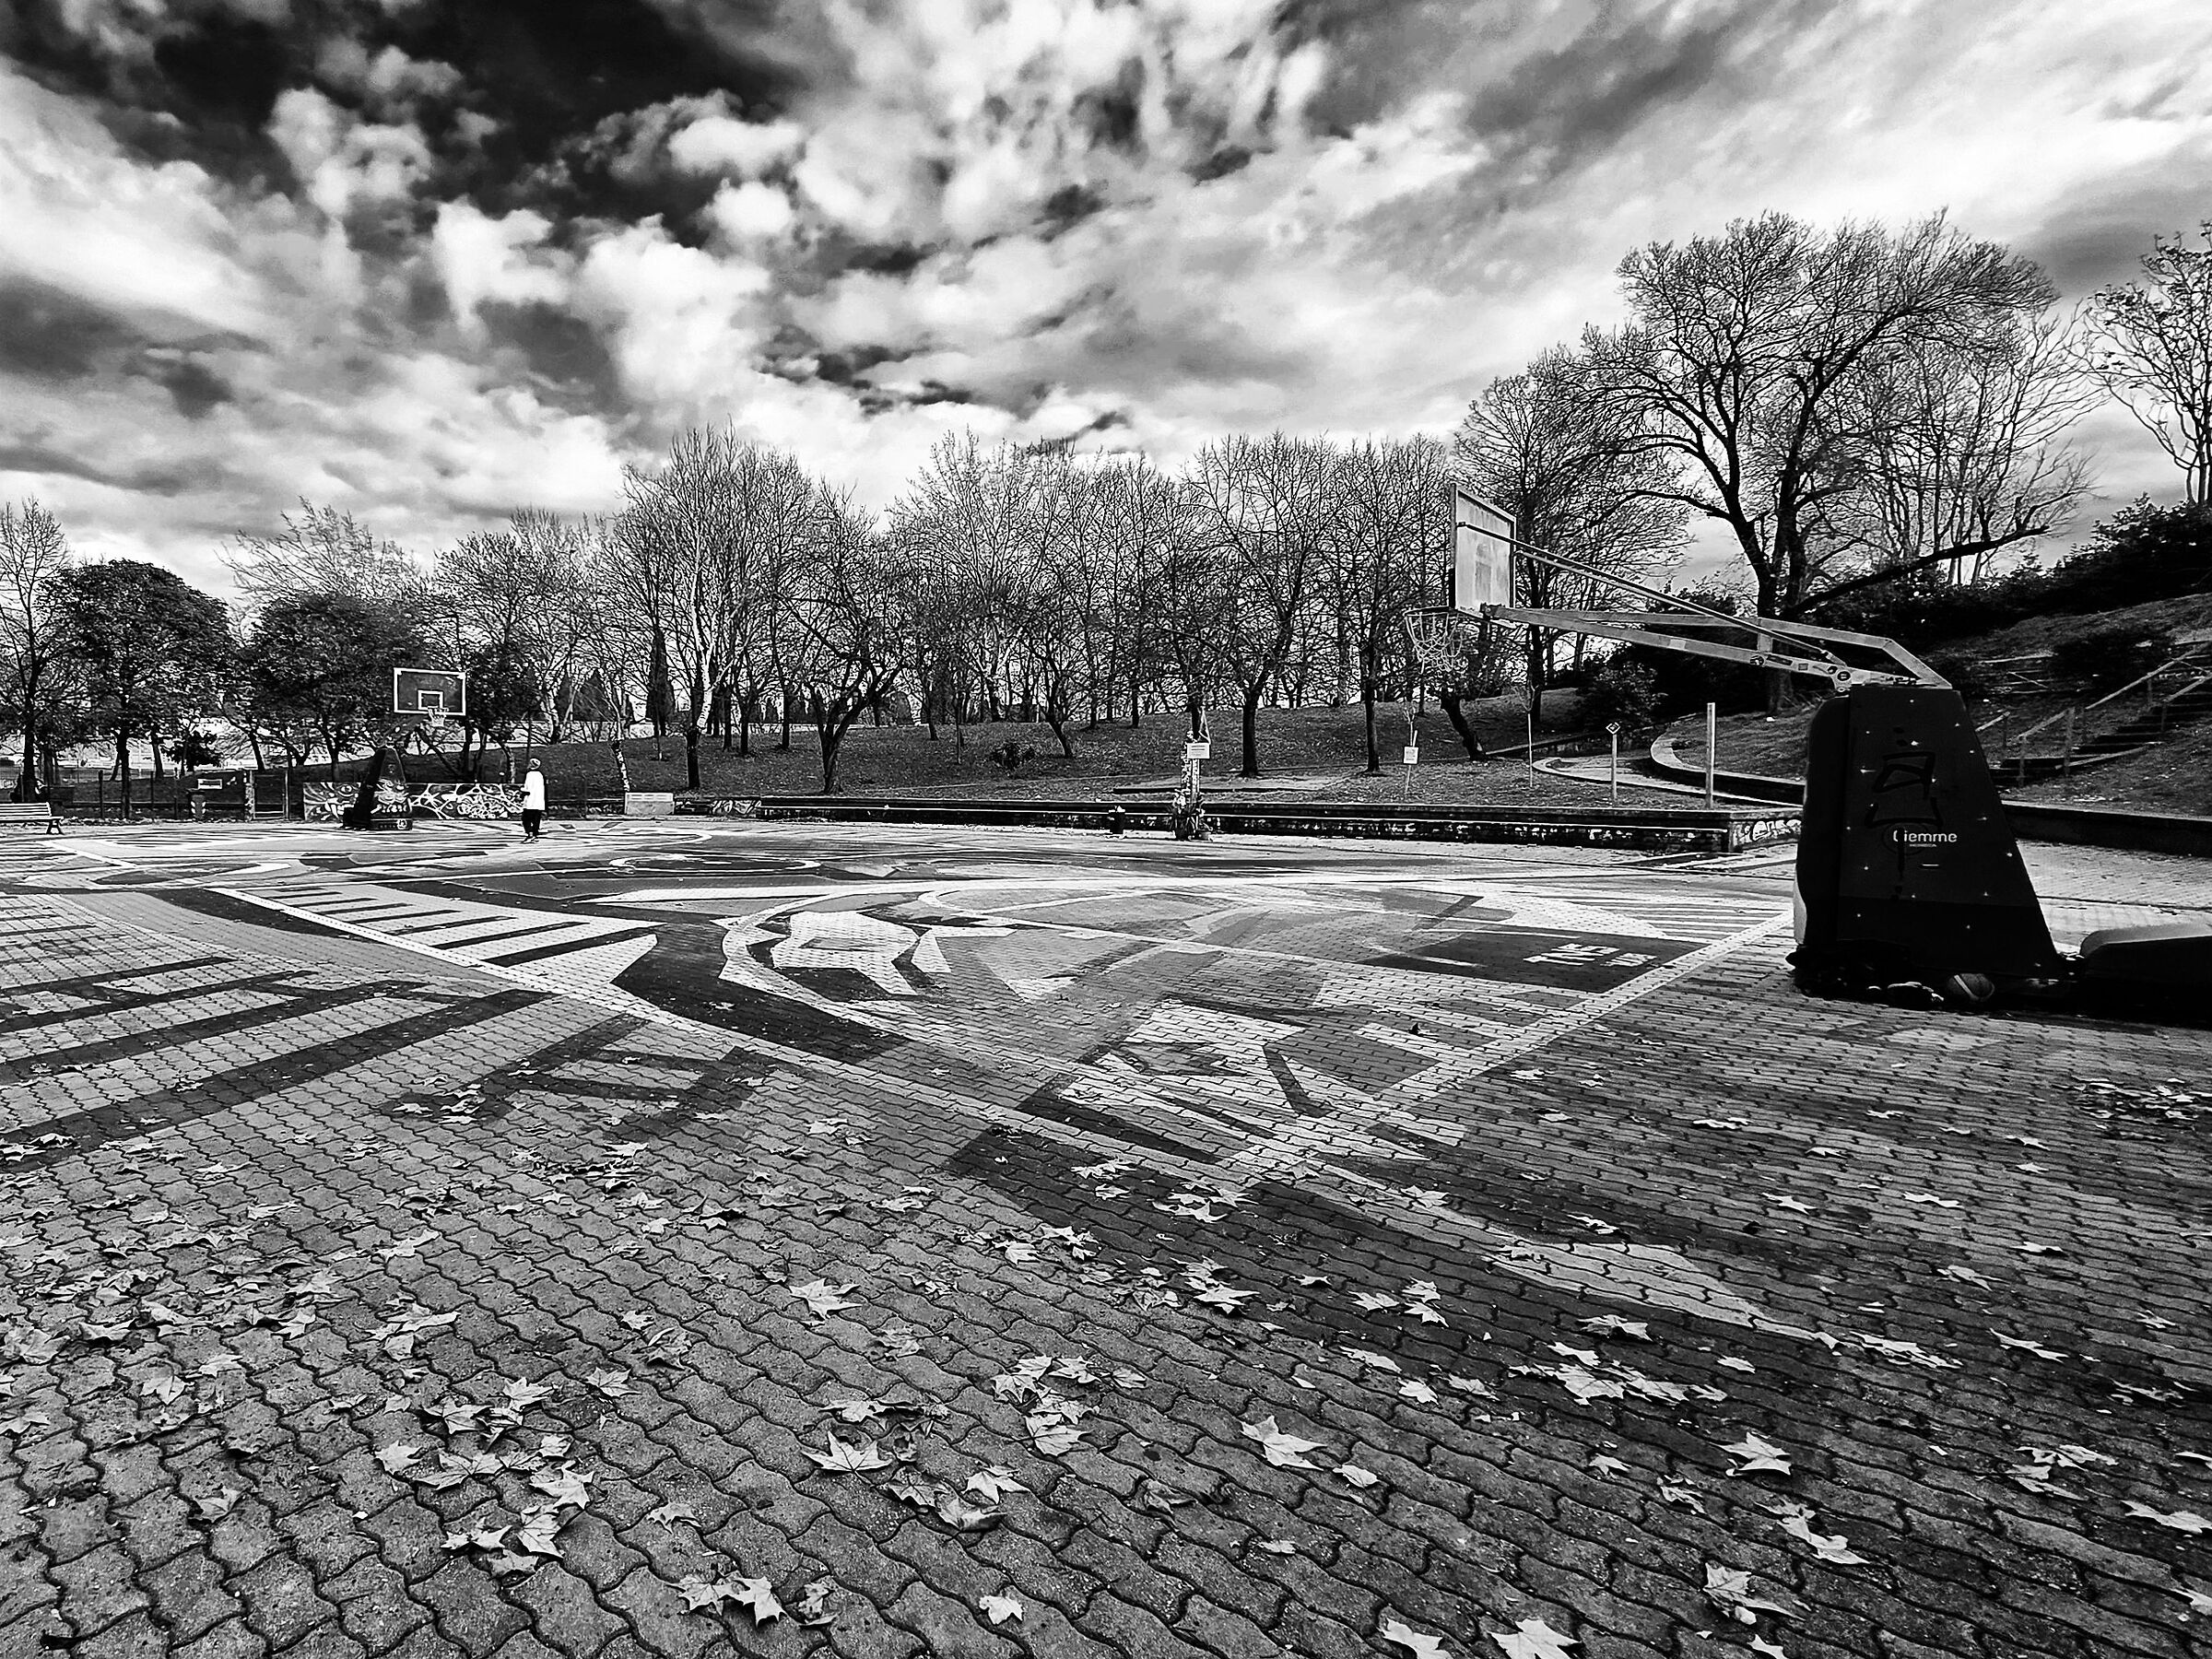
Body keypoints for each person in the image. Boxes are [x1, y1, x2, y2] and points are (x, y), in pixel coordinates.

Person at [520, 759, 546, 841]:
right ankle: (535, 834)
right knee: (536, 819)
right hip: (539, 801)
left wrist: (522, 791)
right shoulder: (540, 775)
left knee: (526, 819)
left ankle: (530, 834)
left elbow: (528, 788)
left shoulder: (530, 774)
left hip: (531, 800)